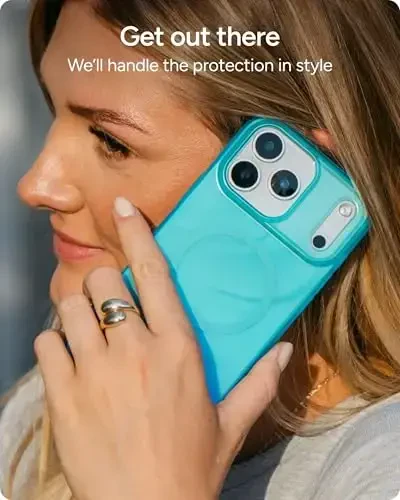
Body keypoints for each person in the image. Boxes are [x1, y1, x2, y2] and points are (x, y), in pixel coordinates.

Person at [1, 0, 400, 498]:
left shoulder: (381, 468)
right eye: (51, 110)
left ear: (314, 165)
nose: (35, 185)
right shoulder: (76, 396)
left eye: (111, 141)